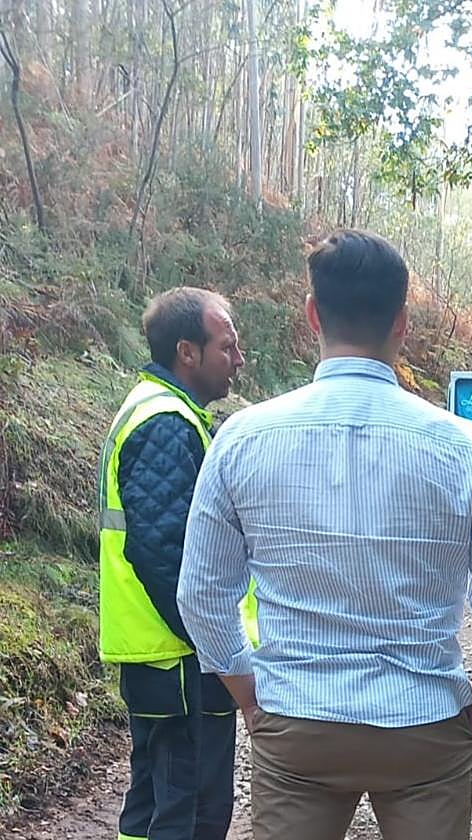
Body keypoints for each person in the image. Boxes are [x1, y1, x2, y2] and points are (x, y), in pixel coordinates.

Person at [176, 229, 472, 840]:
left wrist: (251, 700)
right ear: (402, 323)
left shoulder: (243, 437)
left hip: (297, 723)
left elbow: (200, 595)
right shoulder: (461, 446)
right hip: (423, 728)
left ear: (313, 313)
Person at [97, 286, 245, 840]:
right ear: (188, 351)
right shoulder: (165, 423)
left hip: (162, 654)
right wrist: (217, 645)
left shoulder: (163, 412)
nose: (238, 359)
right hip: (179, 656)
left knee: (155, 804)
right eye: (226, 346)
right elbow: (166, 555)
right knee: (189, 813)